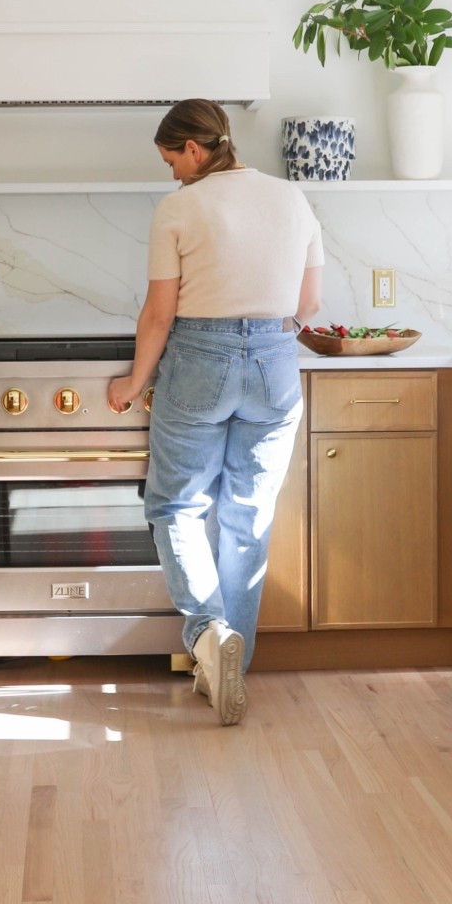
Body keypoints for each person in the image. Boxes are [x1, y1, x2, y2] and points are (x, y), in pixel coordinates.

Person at [107, 99, 324, 725]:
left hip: (200, 360)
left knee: (177, 504)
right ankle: (231, 668)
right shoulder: (294, 199)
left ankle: (207, 636)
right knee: (247, 517)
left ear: (195, 150)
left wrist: (132, 381)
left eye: (171, 157)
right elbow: (308, 306)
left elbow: (158, 315)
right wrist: (265, 334)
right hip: (276, 364)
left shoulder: (179, 207)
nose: (170, 170)